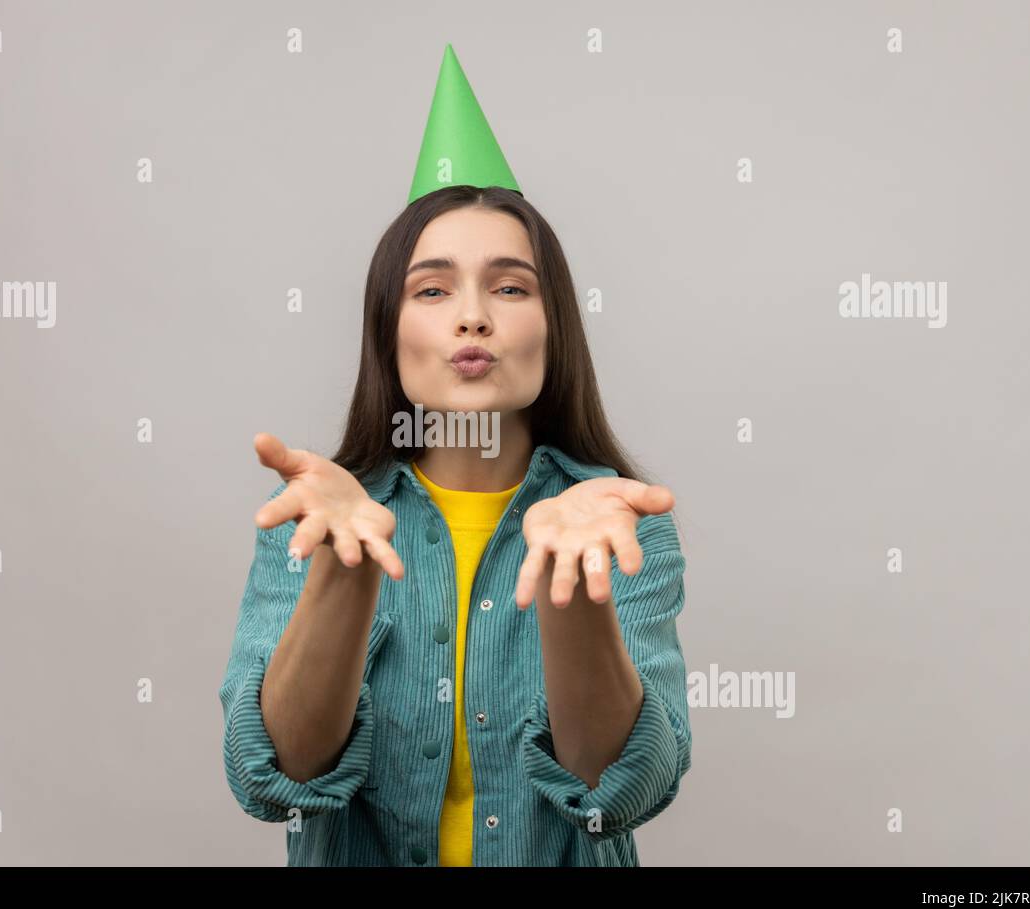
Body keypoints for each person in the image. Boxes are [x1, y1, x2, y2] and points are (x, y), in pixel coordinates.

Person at [219, 43, 691, 866]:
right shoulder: (318, 521)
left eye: (510, 286)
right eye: (432, 289)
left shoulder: (617, 524)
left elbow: (623, 790)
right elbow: (272, 778)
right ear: (388, 331)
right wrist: (345, 570)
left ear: (553, 328)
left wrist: (572, 586)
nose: (473, 317)